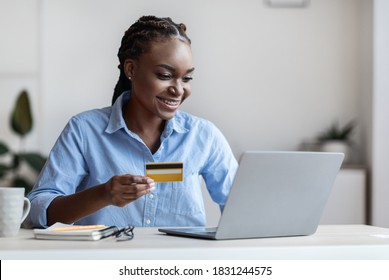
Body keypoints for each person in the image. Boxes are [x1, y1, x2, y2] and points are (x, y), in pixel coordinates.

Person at [25, 15, 238, 228]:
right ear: (131, 69)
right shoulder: (84, 130)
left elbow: (244, 208)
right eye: (165, 75)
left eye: (187, 78)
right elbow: (36, 212)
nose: (179, 89)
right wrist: (103, 194)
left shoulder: (203, 135)